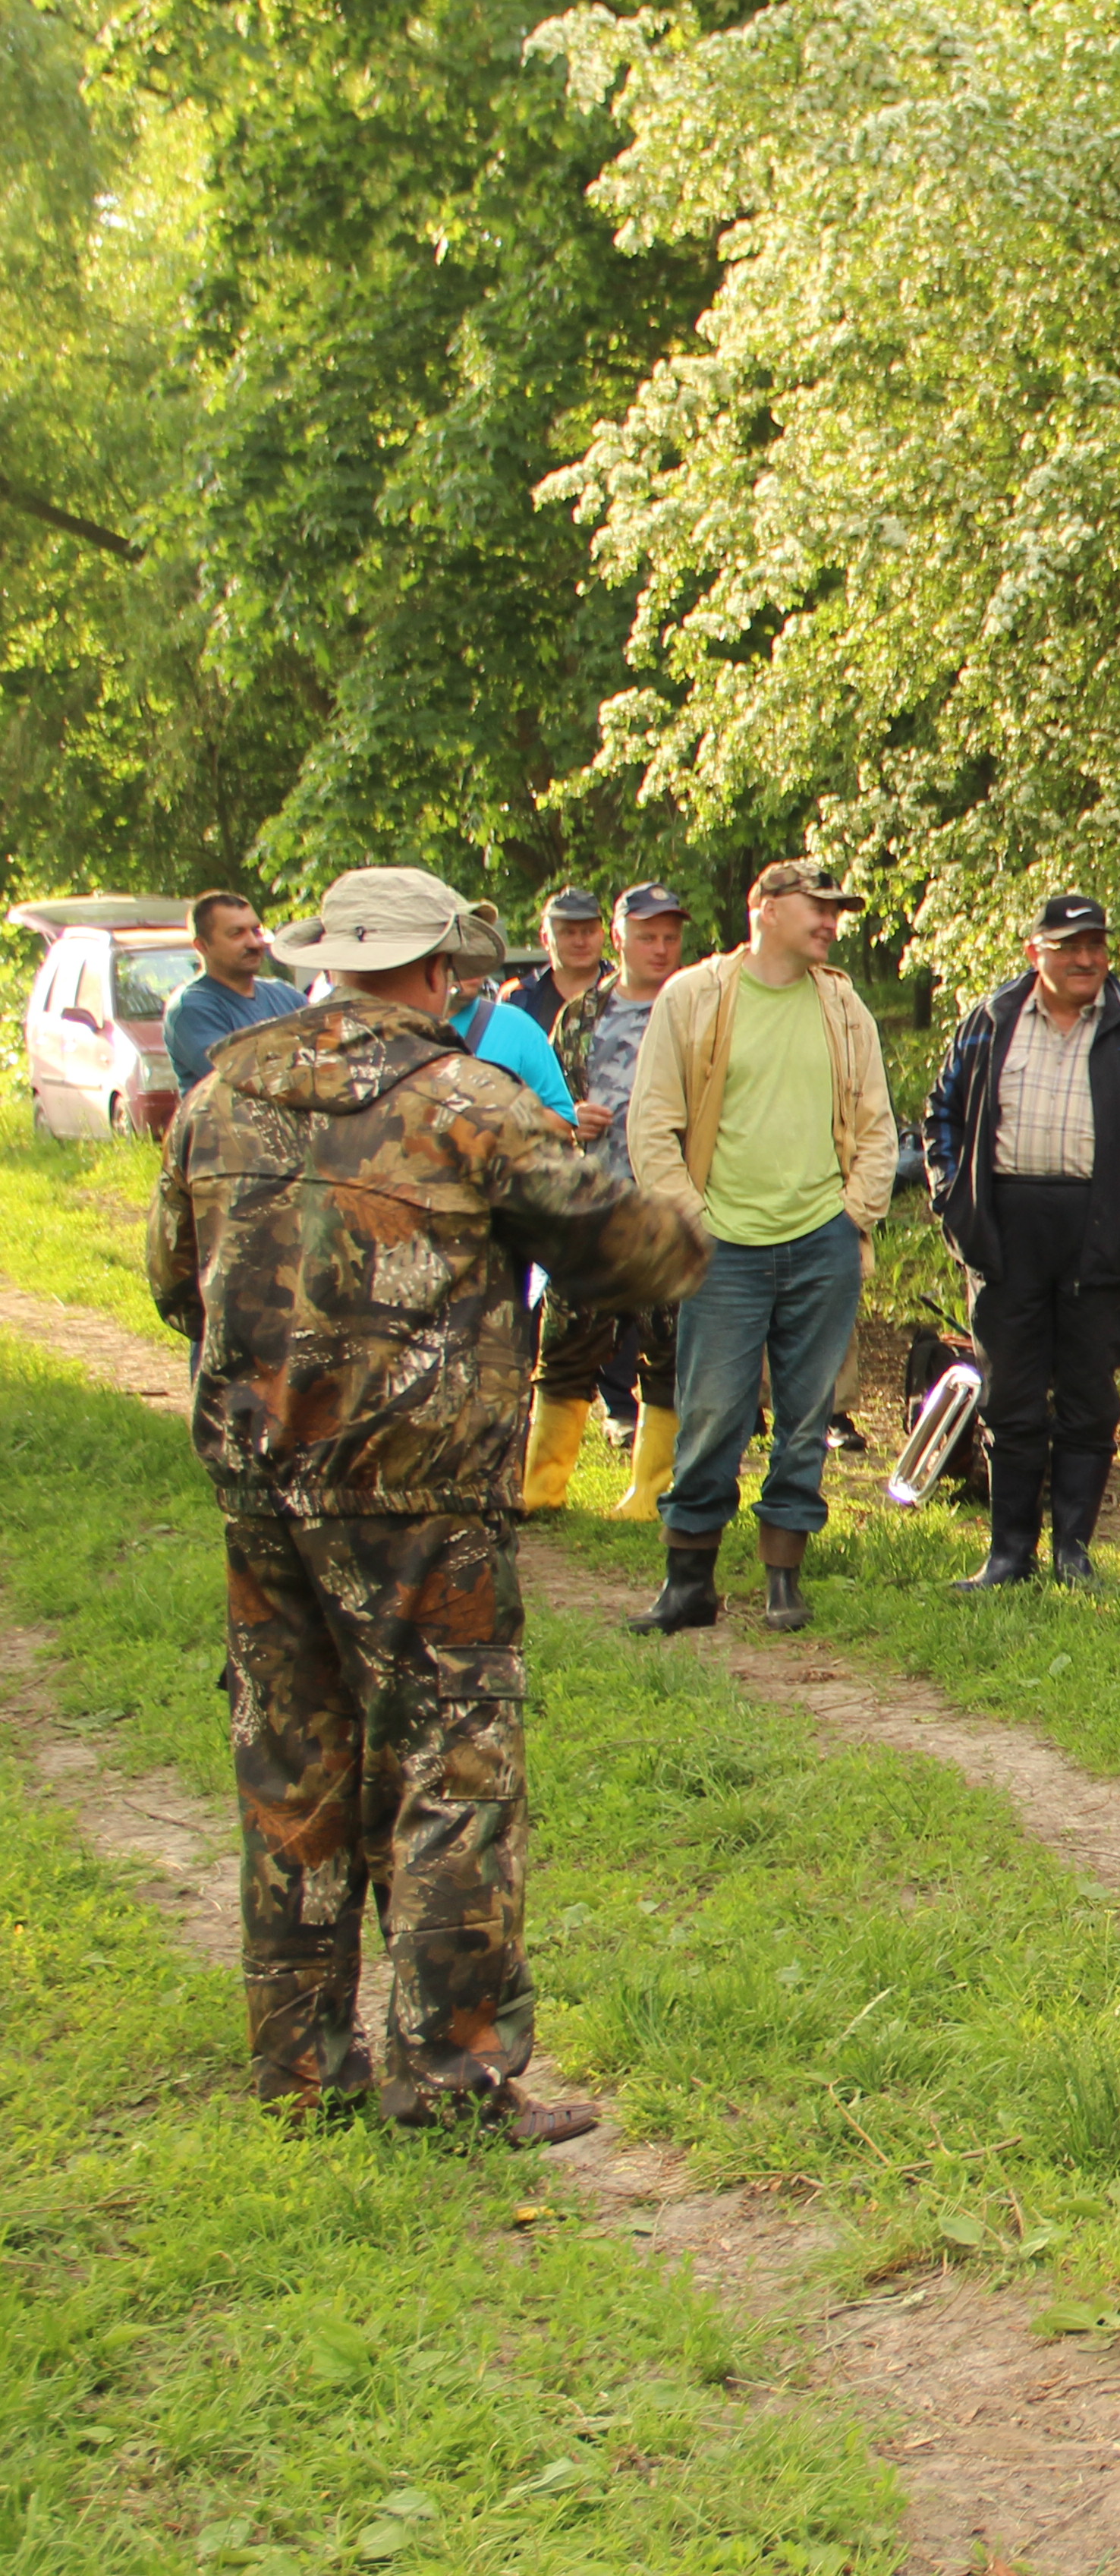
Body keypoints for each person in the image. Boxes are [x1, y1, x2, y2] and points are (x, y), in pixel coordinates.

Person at [144, 865, 706, 2143]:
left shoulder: (222, 1092)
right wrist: (703, 1237)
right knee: (453, 1772)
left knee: (292, 1767)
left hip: (262, 1489)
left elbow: (176, 1281)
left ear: (330, 961)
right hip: (420, 1497)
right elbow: (622, 1250)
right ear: (443, 970)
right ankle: (452, 2078)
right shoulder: (466, 1100)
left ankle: (300, 2065)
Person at [627, 858, 898, 1638]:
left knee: (806, 1418)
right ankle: (689, 1584)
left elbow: (877, 1126)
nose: (832, 922)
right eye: (819, 906)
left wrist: (851, 1216)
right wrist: (695, 1219)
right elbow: (652, 1125)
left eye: (838, 910)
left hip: (821, 1244)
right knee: (712, 1412)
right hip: (724, 1248)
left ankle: (785, 1579)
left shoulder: (843, 1006)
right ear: (768, 909)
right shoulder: (694, 997)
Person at [920, 893, 1120, 1589]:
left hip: (1105, 1231)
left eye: (1095, 946)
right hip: (1006, 1229)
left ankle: (1073, 1554)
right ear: (1035, 954)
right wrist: (954, 1202)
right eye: (1069, 947)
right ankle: (1007, 1555)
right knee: (1010, 1396)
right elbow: (943, 1115)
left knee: (1088, 1396)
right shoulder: (990, 1021)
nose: (1086, 959)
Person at [529, 883, 694, 1515]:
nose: (661, 948)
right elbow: (547, 1107)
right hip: (592, 1210)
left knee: (668, 1354)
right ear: (618, 937)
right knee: (565, 1350)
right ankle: (541, 1490)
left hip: (668, 1211)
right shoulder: (580, 1016)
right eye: (648, 936)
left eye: (671, 937)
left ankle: (650, 1493)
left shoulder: (697, 1008)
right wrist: (572, 1118)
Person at [162, 891, 305, 1088]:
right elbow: (246, 1079)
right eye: (237, 934)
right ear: (202, 946)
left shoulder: (286, 996)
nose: (254, 943)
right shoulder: (191, 1008)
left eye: (256, 931)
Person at [450, 920, 577, 1125]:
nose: (472, 961)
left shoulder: (517, 1027)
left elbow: (565, 1121)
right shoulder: (399, 1029)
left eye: (477, 951)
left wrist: (504, 1112)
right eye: (460, 953)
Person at [506, 888, 612, 1025]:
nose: (580, 942)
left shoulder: (627, 991)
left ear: (602, 935)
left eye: (588, 932)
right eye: (568, 933)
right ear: (545, 938)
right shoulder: (520, 999)